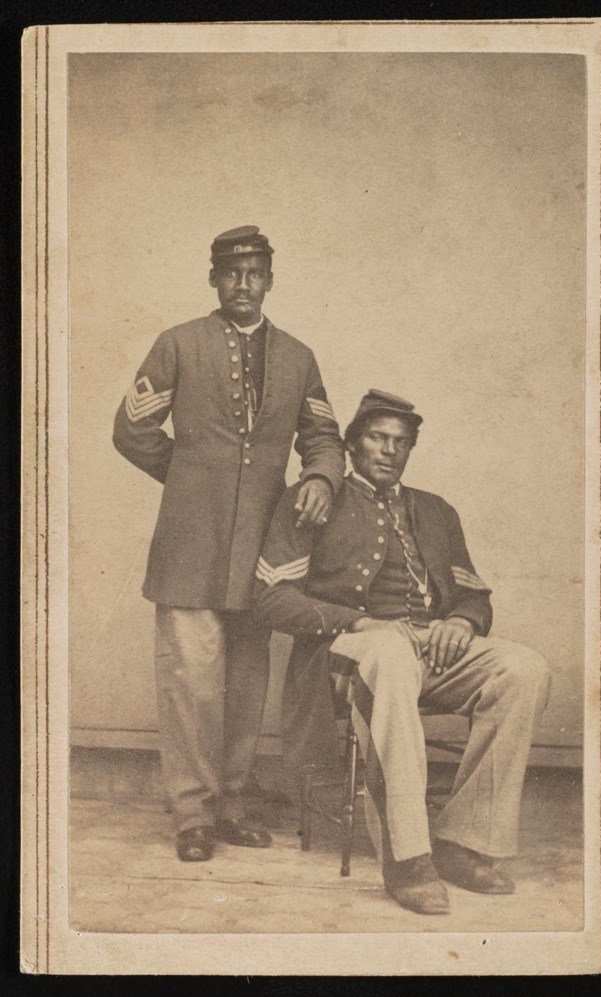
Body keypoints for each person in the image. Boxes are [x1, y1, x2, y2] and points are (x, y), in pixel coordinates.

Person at [254, 389, 551, 915]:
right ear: (351, 443)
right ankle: (409, 856)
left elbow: (471, 593)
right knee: (389, 655)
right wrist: (361, 621)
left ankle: (464, 843)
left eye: (401, 442)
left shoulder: (436, 510)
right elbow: (271, 598)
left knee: (523, 668)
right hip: (345, 651)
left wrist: (460, 620)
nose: (389, 450)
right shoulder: (315, 497)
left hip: (427, 650)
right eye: (377, 438)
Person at [113, 226, 345, 862]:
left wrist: (322, 476)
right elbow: (132, 429)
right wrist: (191, 481)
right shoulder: (178, 344)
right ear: (213, 279)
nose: (243, 284)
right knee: (191, 682)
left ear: (271, 278)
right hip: (191, 545)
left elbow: (325, 437)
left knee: (245, 682)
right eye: (231, 273)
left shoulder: (299, 356)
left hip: (264, 552)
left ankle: (232, 805)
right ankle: (192, 815)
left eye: (255, 272)